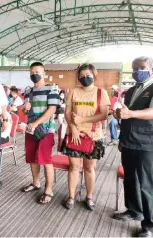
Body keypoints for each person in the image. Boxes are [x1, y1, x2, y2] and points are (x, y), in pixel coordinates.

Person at [113, 56, 153, 238]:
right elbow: (126, 112)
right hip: (128, 140)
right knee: (130, 178)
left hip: (147, 143)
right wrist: (118, 114)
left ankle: (149, 225)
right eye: (135, 69)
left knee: (147, 184)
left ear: (150, 68)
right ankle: (133, 210)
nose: (138, 72)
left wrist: (131, 113)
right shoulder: (130, 91)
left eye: (142, 68)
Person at [61, 64, 110, 211]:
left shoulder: (101, 93)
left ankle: (89, 197)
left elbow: (103, 114)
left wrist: (83, 121)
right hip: (74, 135)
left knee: (89, 168)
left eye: (88, 75)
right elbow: (68, 114)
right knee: (74, 167)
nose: (85, 78)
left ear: (94, 75)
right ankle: (71, 195)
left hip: (93, 136)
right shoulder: (74, 92)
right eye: (81, 76)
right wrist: (74, 128)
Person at [21, 62, 59, 205]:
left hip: (46, 130)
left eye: (37, 71)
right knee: (32, 158)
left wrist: (36, 123)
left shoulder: (51, 89)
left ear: (44, 73)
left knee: (46, 159)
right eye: (32, 72)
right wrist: (25, 108)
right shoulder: (28, 91)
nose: (34, 74)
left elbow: (51, 110)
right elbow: (25, 111)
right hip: (31, 129)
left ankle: (49, 189)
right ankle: (36, 183)